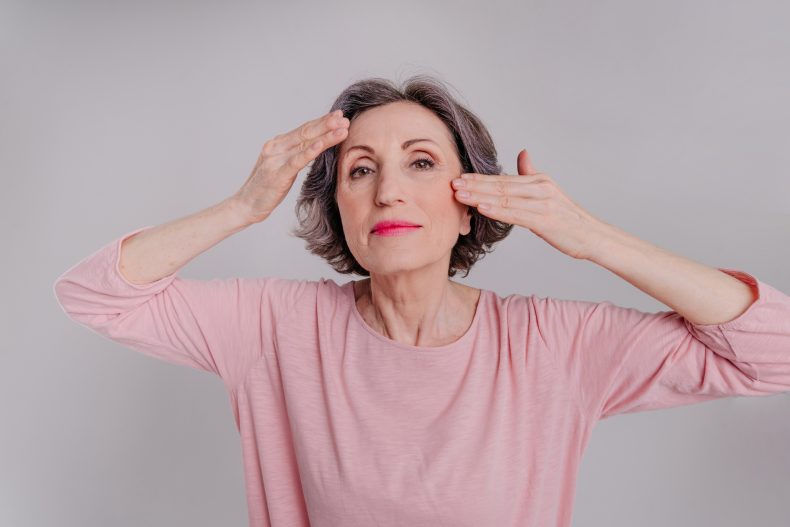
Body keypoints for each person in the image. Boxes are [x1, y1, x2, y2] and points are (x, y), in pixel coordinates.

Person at [53, 74, 790, 527]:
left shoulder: (548, 345)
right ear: (340, 208)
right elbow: (95, 293)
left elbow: (775, 350)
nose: (389, 189)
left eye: (422, 162)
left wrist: (590, 236)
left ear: (468, 201)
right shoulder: (277, 327)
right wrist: (243, 207)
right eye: (360, 170)